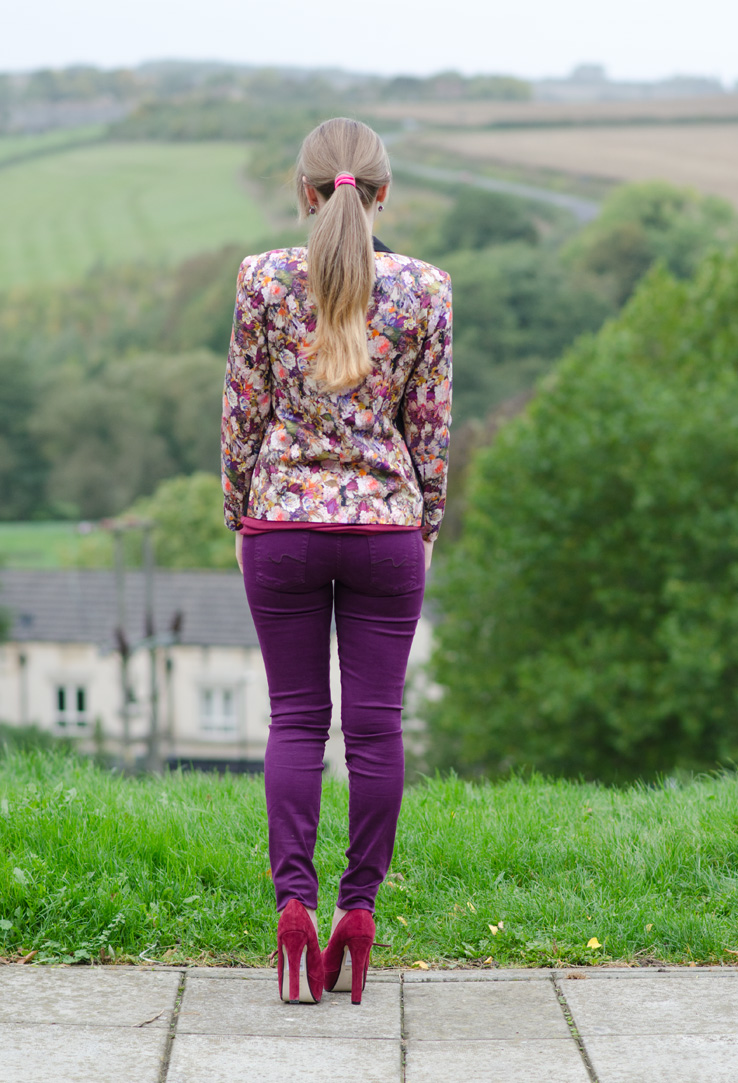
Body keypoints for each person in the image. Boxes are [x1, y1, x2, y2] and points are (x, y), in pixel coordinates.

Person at [221, 117, 452, 1005]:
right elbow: (430, 428)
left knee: (295, 722)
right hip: (385, 535)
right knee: (377, 727)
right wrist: (424, 517)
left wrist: (239, 506)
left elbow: (244, 409)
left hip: (279, 523)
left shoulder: (263, 280)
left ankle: (293, 908)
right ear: (383, 193)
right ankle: (358, 912)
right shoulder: (426, 290)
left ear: (304, 192)